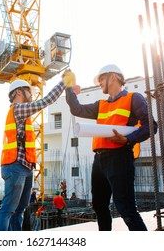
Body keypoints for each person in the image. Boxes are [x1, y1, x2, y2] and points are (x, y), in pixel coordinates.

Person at [65, 64, 158, 231]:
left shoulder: (133, 98)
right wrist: (69, 88)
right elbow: (76, 109)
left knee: (126, 209)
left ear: (113, 77)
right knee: (99, 206)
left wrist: (128, 139)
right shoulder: (100, 105)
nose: (99, 83)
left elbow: (151, 125)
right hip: (99, 160)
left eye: (101, 79)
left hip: (120, 157)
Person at [0, 71, 75, 231]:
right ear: (18, 92)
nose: (31, 95)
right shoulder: (17, 109)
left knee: (20, 209)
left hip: (26, 166)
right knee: (8, 209)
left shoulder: (23, 114)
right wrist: (64, 82)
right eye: (28, 92)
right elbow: (46, 101)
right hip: (15, 166)